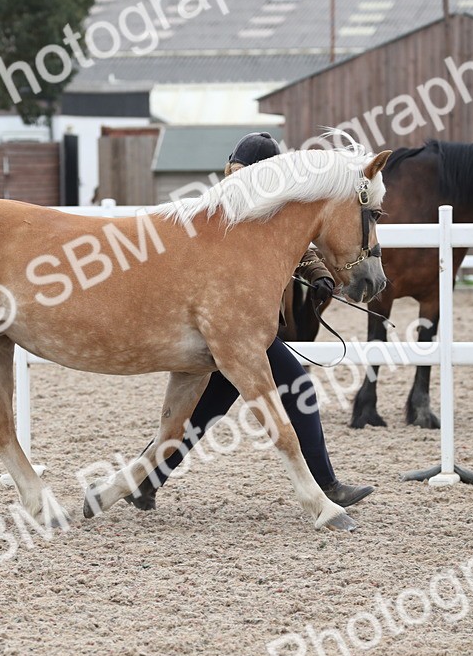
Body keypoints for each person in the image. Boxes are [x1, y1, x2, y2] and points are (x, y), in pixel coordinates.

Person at [125, 132, 374, 510]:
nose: (238, 177)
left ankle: (144, 481)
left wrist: (318, 271)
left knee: (204, 409)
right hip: (235, 329)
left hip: (241, 328)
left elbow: (290, 240)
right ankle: (326, 485)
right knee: (298, 391)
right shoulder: (222, 211)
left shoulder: (264, 207)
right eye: (237, 171)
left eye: (246, 172)